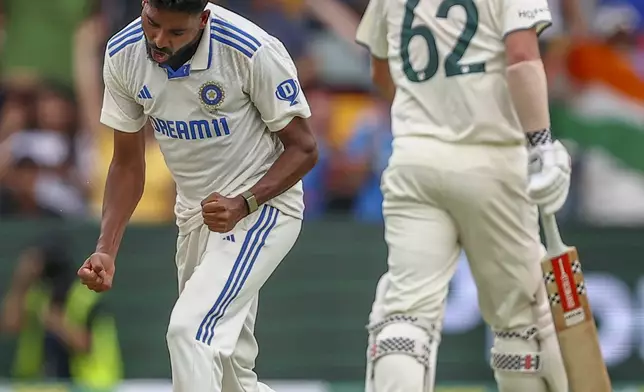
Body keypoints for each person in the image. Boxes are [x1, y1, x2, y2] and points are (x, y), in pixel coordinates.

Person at [76, 1, 318, 391]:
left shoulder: (250, 50)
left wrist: (244, 204)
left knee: (188, 333)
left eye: (175, 33)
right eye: (152, 23)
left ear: (203, 19)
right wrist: (107, 247)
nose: (158, 40)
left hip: (263, 208)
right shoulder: (122, 53)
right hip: (195, 215)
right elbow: (126, 165)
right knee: (229, 377)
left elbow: (305, 149)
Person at [355, 0, 572, 391]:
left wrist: (424, 117)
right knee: (520, 320)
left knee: (405, 316)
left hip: (413, 158)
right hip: (493, 159)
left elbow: (380, 68)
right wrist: (541, 143)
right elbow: (522, 57)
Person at [1, 232, 122, 389]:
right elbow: (10, 326)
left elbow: (88, 345)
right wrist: (21, 282)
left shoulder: (85, 298)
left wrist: (57, 323)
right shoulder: (38, 295)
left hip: (90, 385)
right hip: (38, 384)